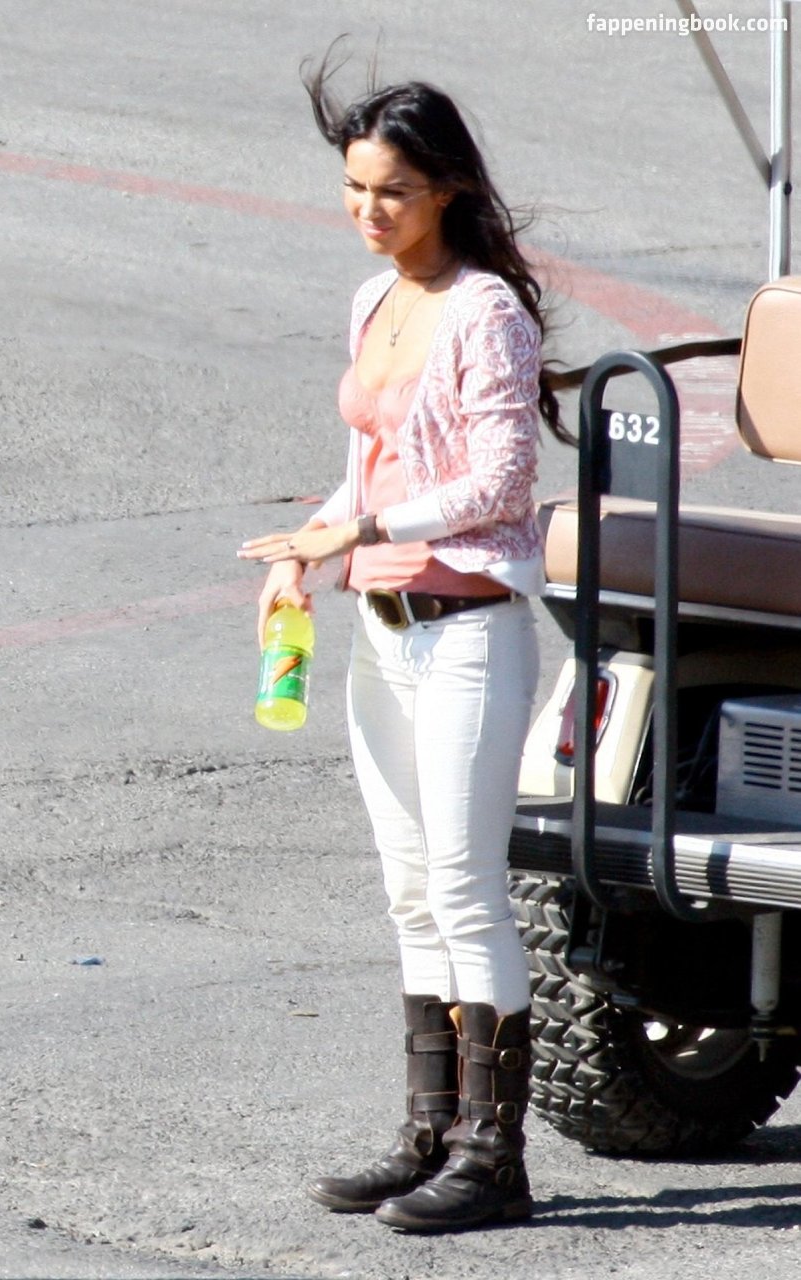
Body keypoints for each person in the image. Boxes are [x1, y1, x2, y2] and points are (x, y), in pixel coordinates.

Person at [237, 53, 571, 1234]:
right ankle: (430, 1131)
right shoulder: (372, 301)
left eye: (390, 191)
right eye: (352, 188)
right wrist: (307, 549)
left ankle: (493, 1154)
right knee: (409, 889)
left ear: (446, 189)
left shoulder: (485, 313)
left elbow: (498, 482)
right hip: (383, 633)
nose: (367, 211)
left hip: (466, 633)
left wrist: (363, 528)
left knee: (467, 890)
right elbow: (368, 465)